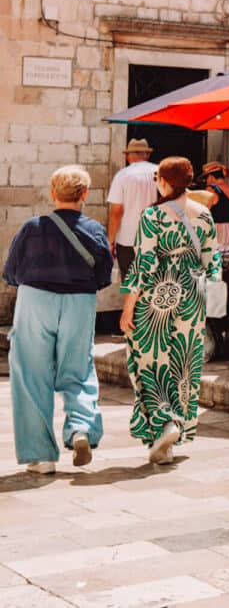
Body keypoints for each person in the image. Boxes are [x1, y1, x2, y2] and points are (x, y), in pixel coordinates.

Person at [5, 165, 115, 474]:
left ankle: (41, 457)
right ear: (84, 194)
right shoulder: (93, 229)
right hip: (80, 301)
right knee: (78, 369)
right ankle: (80, 428)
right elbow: (104, 274)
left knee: (30, 374)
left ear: (53, 193)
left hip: (36, 300)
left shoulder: (32, 227)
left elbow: (11, 271)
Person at [120, 156, 221, 466]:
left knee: (146, 359)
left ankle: (165, 424)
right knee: (183, 365)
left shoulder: (152, 216)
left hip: (159, 296)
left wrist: (127, 307)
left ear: (164, 181)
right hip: (193, 294)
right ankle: (171, 435)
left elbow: (143, 265)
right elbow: (213, 263)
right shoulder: (204, 215)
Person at [106, 138, 158, 304]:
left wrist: (111, 240)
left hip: (128, 239)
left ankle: (131, 323)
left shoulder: (123, 175)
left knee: (131, 284)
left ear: (129, 156)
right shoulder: (160, 172)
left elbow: (116, 212)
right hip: (156, 237)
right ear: (147, 155)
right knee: (155, 283)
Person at [201, 162, 229, 246]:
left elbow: (204, 213)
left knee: (217, 257)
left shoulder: (211, 189)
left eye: (206, 178)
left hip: (219, 229)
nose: (206, 181)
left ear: (211, 177)